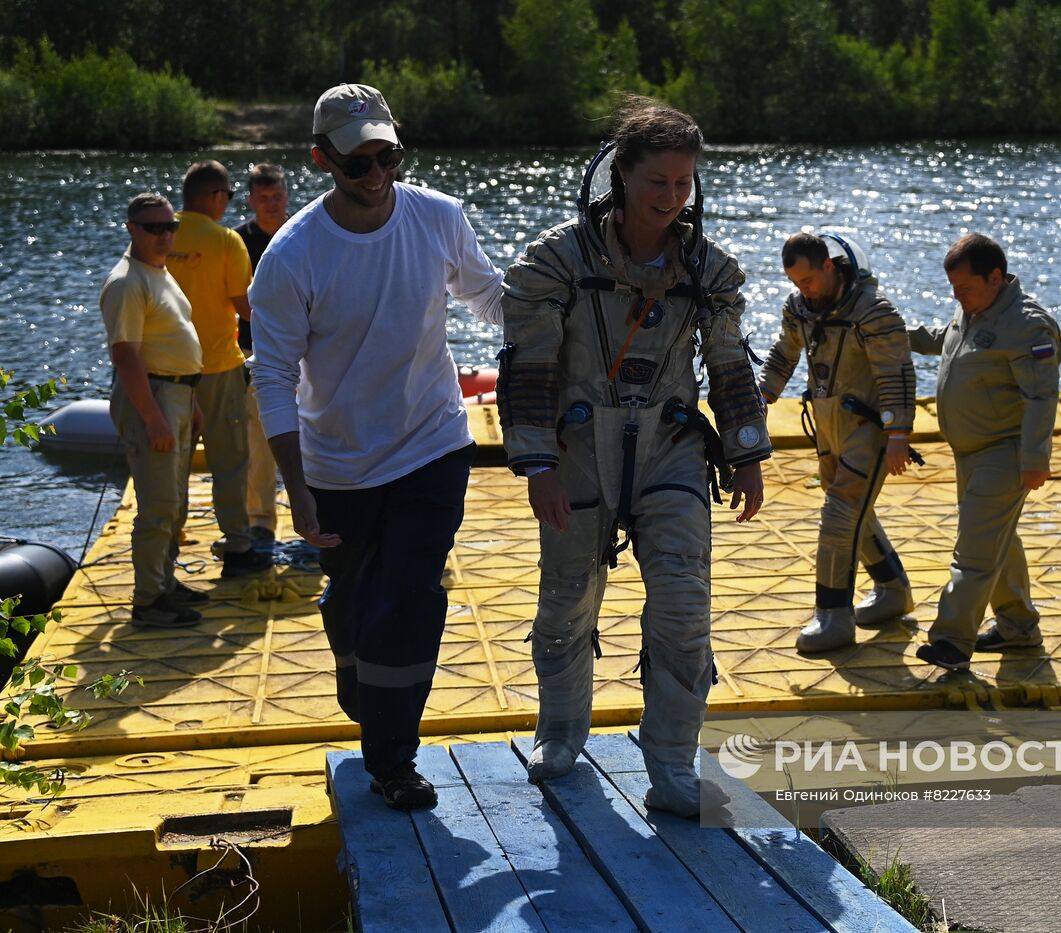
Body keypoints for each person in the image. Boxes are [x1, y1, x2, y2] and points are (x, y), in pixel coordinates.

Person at [498, 98, 769, 818]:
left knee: (684, 607)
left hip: (672, 447)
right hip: (578, 448)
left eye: (683, 184)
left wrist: (746, 451)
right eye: (657, 183)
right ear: (620, 174)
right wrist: (536, 463)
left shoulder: (708, 270)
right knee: (566, 598)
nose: (670, 198)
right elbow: (526, 367)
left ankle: (673, 765)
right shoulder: (556, 260)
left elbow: (729, 362)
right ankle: (559, 734)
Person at [249, 84, 506, 811]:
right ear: (320, 158)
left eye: (387, 155)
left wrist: (567, 298)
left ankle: (393, 760)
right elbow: (271, 376)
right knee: (355, 599)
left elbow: (491, 298)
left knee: (410, 597)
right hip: (337, 463)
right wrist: (295, 490)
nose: (375, 174)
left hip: (433, 444)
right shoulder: (292, 255)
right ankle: (359, 670)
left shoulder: (438, 218)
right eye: (356, 162)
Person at [908, 234, 1060, 671]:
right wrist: (900, 336)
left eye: (965, 288)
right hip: (969, 453)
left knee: (972, 551)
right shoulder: (973, 306)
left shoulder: (1028, 324)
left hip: (1004, 454)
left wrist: (1035, 460)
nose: (958, 297)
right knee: (998, 541)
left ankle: (952, 642)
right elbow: (948, 339)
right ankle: (1019, 629)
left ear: (996, 277)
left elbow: (1041, 397)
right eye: (954, 290)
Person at [758, 232, 916, 653]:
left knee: (839, 517)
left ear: (829, 266)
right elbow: (784, 353)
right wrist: (762, 397)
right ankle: (892, 588)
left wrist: (898, 433)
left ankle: (833, 616)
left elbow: (896, 374)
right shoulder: (800, 309)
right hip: (829, 426)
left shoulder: (874, 313)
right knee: (852, 512)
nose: (802, 290)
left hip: (869, 428)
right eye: (795, 283)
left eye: (807, 281)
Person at [99, 193, 208, 627]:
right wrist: (153, 418)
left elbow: (175, 342)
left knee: (176, 502)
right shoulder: (127, 282)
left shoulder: (159, 272)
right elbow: (127, 357)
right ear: (131, 228)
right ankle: (148, 601)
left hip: (178, 394)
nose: (164, 235)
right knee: (158, 505)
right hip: (154, 398)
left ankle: (165, 582)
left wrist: (193, 400)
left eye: (170, 227)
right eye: (153, 227)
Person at [167, 160, 271, 577]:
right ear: (215, 197)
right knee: (229, 461)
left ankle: (168, 545)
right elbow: (246, 308)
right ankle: (238, 544)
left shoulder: (157, 233)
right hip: (217, 366)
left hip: (167, 371)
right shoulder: (227, 241)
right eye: (227, 196)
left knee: (171, 464)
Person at [234, 163, 291, 546]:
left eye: (277, 197)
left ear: (286, 196)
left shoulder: (301, 232)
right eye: (263, 198)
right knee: (259, 441)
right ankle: (260, 523)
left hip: (304, 350)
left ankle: (321, 514)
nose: (271, 205)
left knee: (315, 435)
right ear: (252, 200)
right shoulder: (236, 241)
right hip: (255, 350)